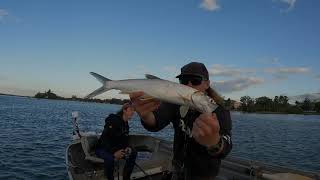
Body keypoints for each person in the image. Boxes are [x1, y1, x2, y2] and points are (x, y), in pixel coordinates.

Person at [130, 62, 232, 180]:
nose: (189, 85)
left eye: (195, 80)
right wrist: (146, 115)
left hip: (204, 175)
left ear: (207, 84)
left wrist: (213, 142)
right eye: (184, 81)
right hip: (177, 168)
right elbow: (156, 122)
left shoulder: (219, 111)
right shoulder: (175, 104)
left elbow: (226, 146)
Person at [95, 103, 137, 180]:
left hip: (115, 148)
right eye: (131, 110)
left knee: (133, 152)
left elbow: (125, 140)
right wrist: (114, 153)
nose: (133, 112)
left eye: (134, 110)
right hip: (102, 148)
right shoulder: (113, 120)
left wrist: (128, 147)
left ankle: (126, 177)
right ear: (124, 110)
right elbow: (105, 140)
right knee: (110, 158)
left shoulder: (125, 124)